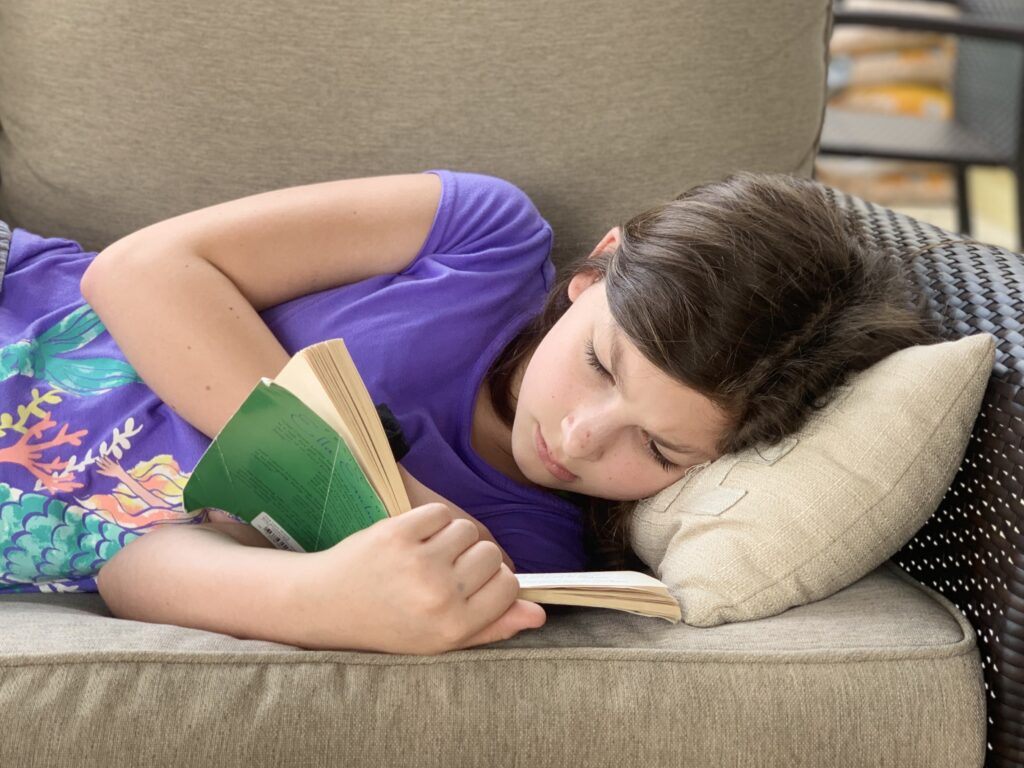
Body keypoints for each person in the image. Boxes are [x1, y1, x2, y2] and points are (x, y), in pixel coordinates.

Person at [0, 169, 939, 654]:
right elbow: (138, 272)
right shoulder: (481, 236)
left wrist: (323, 602)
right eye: (601, 366)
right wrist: (382, 485)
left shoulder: (522, 548)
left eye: (654, 448)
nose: (576, 441)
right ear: (595, 268)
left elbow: (140, 567)